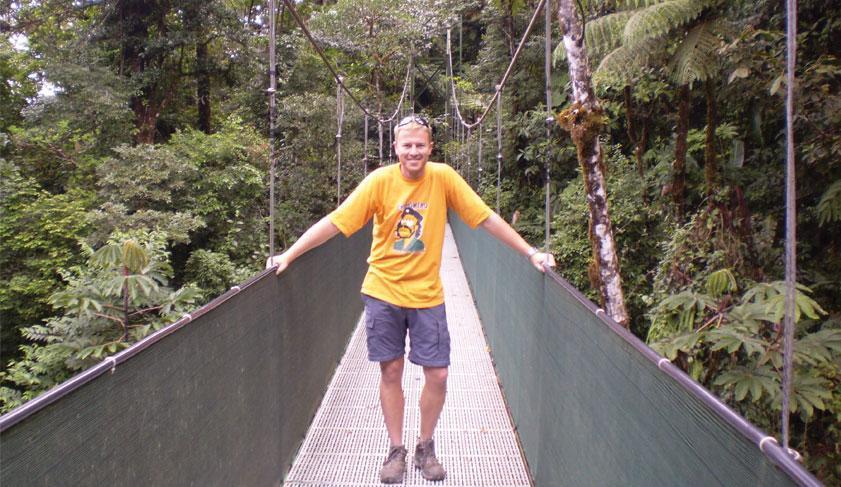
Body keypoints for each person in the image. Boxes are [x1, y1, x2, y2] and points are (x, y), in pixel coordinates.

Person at [266, 114, 555, 483]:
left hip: (426, 294)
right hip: (383, 291)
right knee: (391, 370)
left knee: (438, 373)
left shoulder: (443, 177)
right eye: (407, 145)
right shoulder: (379, 182)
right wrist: (289, 254)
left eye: (420, 145)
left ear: (430, 148)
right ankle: (396, 449)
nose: (414, 151)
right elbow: (337, 222)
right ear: (395, 148)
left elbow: (484, 218)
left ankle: (426, 445)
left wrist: (530, 251)